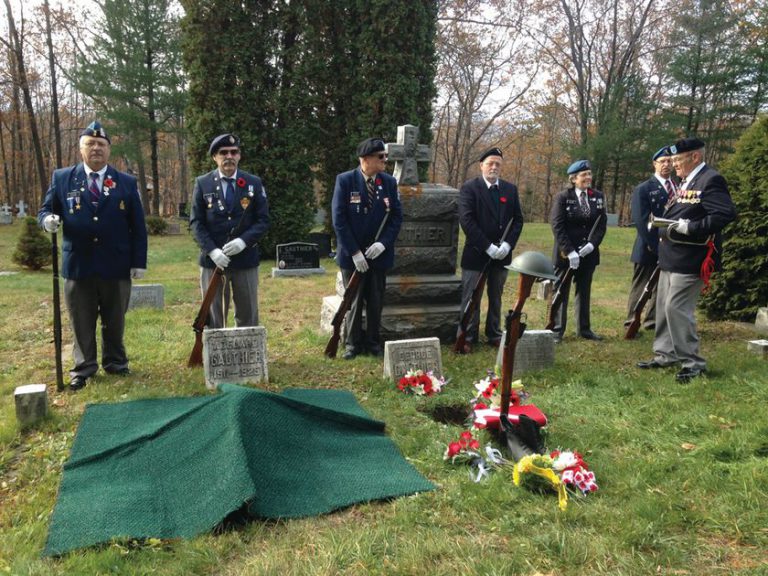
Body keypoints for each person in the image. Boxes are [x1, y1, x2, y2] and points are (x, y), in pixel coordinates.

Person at [38, 121, 147, 391]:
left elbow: (138, 225)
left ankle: (116, 363)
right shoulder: (62, 178)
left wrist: (138, 262)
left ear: (109, 150)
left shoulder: (126, 182)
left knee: (115, 319)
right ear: (81, 149)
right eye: (91, 143)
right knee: (81, 319)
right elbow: (45, 210)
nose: (96, 148)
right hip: (79, 263)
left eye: (101, 144)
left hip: (116, 264)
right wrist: (47, 220)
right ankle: (84, 368)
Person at [637, 137, 736, 382]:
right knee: (662, 307)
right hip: (671, 255)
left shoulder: (710, 179)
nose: (673, 165)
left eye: (678, 160)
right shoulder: (685, 181)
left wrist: (691, 227)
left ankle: (693, 362)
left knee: (676, 307)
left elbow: (725, 214)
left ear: (695, 157)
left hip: (692, 257)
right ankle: (665, 355)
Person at [332, 137, 403, 360]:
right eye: (381, 157)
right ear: (365, 159)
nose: (385, 160)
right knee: (353, 300)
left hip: (378, 255)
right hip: (352, 256)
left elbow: (396, 217)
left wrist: (383, 244)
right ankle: (352, 344)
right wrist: (354, 252)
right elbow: (339, 220)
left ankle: (373, 342)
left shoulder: (389, 182)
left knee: (376, 300)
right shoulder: (345, 181)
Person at [189, 133, 270, 329]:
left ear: (239, 156)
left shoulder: (253, 182)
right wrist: (212, 251)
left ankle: (248, 355)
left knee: (248, 313)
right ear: (214, 157)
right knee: (213, 314)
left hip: (246, 260)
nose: (229, 156)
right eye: (223, 152)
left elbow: (263, 220)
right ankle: (216, 356)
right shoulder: (203, 183)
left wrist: (243, 241)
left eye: (234, 152)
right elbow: (196, 222)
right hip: (213, 262)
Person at [456, 147, 524, 353]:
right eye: (490, 163)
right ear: (481, 166)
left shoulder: (510, 189)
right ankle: (467, 336)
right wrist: (487, 246)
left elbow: (518, 220)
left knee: (496, 296)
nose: (494, 167)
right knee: (471, 297)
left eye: (498, 164)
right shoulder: (470, 188)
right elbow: (467, 220)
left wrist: (507, 245)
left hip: (501, 255)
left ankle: (493, 333)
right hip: (477, 253)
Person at [549, 159, 607, 342]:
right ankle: (557, 330)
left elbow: (601, 225)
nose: (588, 178)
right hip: (566, 255)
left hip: (588, 255)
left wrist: (592, 244)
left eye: (589, 174)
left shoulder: (597, 196)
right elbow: (557, 225)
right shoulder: (563, 197)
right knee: (561, 291)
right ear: (574, 178)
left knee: (584, 291)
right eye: (584, 175)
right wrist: (570, 251)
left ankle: (584, 329)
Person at [624, 146, 675, 333]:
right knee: (641, 285)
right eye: (662, 161)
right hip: (648, 246)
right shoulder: (644, 188)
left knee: (661, 286)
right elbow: (641, 220)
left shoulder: (679, 187)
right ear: (655, 164)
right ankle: (631, 320)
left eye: (670, 161)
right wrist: (656, 245)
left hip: (671, 246)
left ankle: (651, 321)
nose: (667, 165)